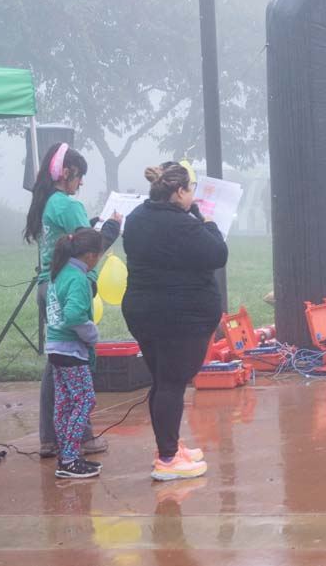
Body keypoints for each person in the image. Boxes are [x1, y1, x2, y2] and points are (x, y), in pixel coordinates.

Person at [122, 162, 228, 481]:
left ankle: (168, 446)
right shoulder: (184, 226)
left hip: (144, 311)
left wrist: (192, 217)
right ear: (180, 191)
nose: (192, 195)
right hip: (178, 317)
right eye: (191, 189)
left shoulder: (137, 218)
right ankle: (167, 459)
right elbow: (217, 254)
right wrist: (208, 221)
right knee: (171, 384)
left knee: (162, 380)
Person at [23, 142, 122, 458]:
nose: (81, 184)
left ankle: (51, 438)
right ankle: (82, 438)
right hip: (71, 287)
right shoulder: (66, 204)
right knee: (75, 366)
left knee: (57, 363)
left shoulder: (47, 203)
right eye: (79, 177)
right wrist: (113, 227)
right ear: (66, 173)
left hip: (49, 287)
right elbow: (91, 245)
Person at [45, 228, 105, 479]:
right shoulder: (78, 278)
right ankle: (69, 459)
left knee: (65, 404)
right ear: (90, 255)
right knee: (84, 400)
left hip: (56, 348)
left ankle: (67, 456)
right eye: (99, 255)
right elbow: (74, 316)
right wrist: (92, 335)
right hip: (72, 351)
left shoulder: (60, 272)